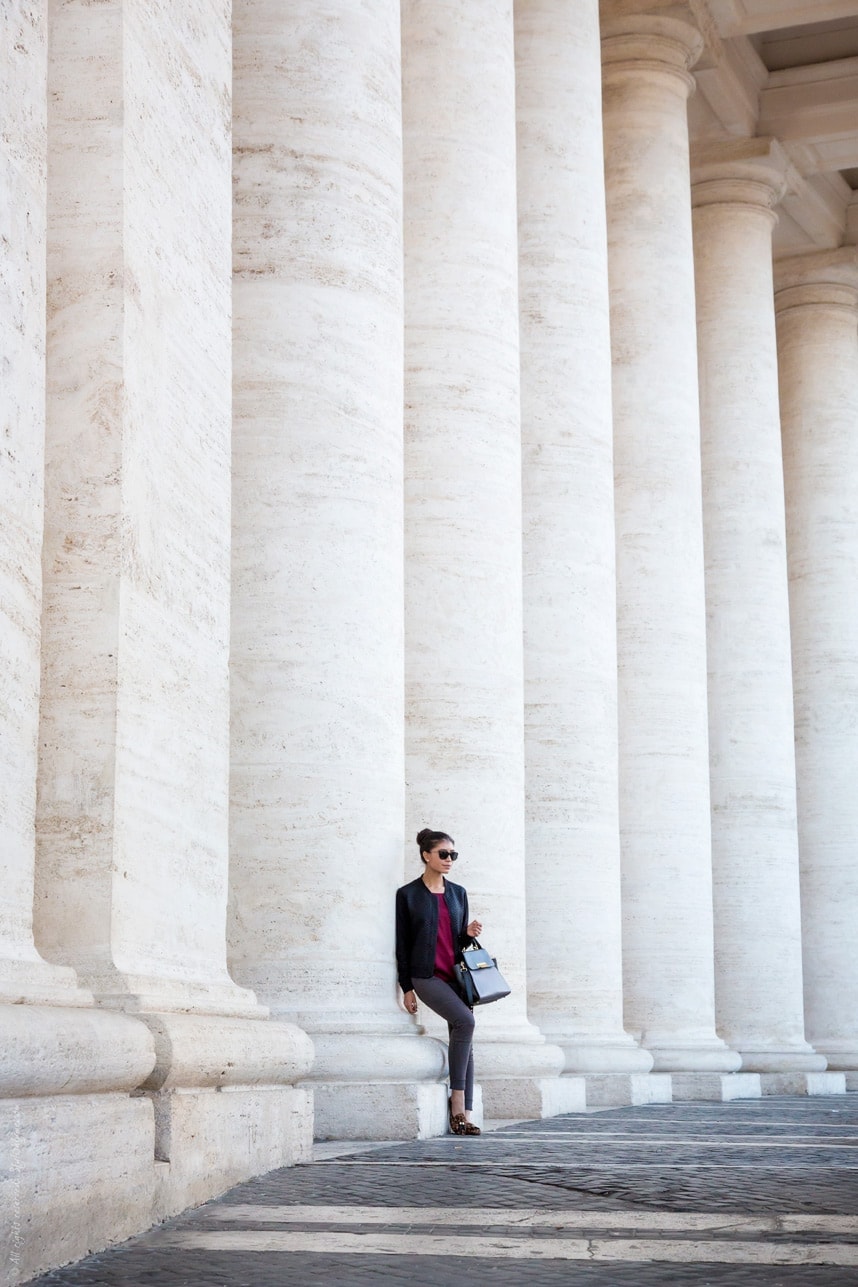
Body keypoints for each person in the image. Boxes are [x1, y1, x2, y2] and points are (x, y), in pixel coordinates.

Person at [395, 828, 483, 1136]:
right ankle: (457, 1105)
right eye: (443, 854)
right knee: (466, 1023)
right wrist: (407, 986)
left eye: (453, 855)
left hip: (455, 976)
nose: (449, 860)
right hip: (426, 975)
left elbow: (455, 941)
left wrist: (467, 933)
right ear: (426, 856)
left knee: (466, 1041)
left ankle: (466, 1115)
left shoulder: (458, 893)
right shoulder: (408, 895)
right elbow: (402, 945)